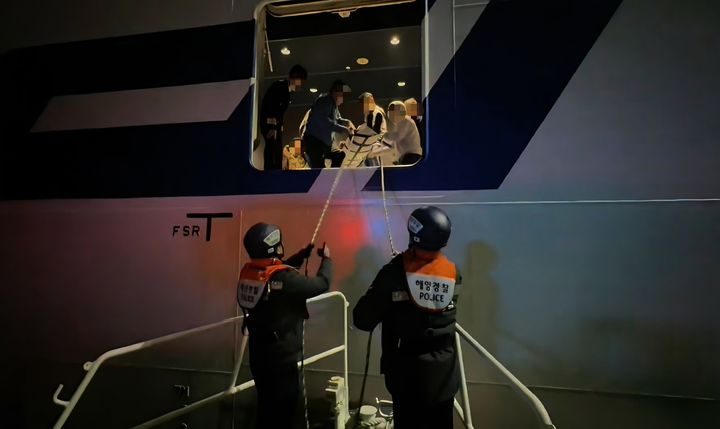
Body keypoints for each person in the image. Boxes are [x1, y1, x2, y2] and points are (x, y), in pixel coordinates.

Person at [353, 206, 461, 429]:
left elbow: (362, 319)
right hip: (444, 378)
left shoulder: (393, 273)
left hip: (408, 380)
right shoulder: (453, 273)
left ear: (413, 235)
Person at [237, 223, 332, 428]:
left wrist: (301, 255)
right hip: (281, 362)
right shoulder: (284, 280)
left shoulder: (252, 272)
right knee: (283, 414)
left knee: (266, 409)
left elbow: (277, 272)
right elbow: (322, 284)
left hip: (259, 355)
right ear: (274, 247)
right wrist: (327, 259)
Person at [260, 64, 308, 170]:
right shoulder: (280, 87)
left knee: (276, 153)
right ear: (295, 77)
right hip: (271, 126)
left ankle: (274, 173)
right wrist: (271, 127)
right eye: (301, 82)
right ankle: (270, 175)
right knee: (272, 153)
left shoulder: (285, 91)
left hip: (275, 127)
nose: (301, 86)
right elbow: (270, 106)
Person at [303, 80, 354, 168]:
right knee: (318, 169)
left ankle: (333, 175)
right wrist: (344, 129)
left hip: (324, 143)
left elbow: (338, 119)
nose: (343, 99)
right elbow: (323, 121)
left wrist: (348, 123)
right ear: (335, 93)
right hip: (315, 142)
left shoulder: (334, 106)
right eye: (342, 95)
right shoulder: (325, 101)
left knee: (339, 156)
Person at [384, 100, 422, 165]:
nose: (391, 114)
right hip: (407, 156)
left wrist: (384, 135)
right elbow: (395, 142)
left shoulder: (406, 121)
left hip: (412, 155)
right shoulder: (400, 123)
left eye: (393, 111)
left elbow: (398, 136)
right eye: (390, 111)